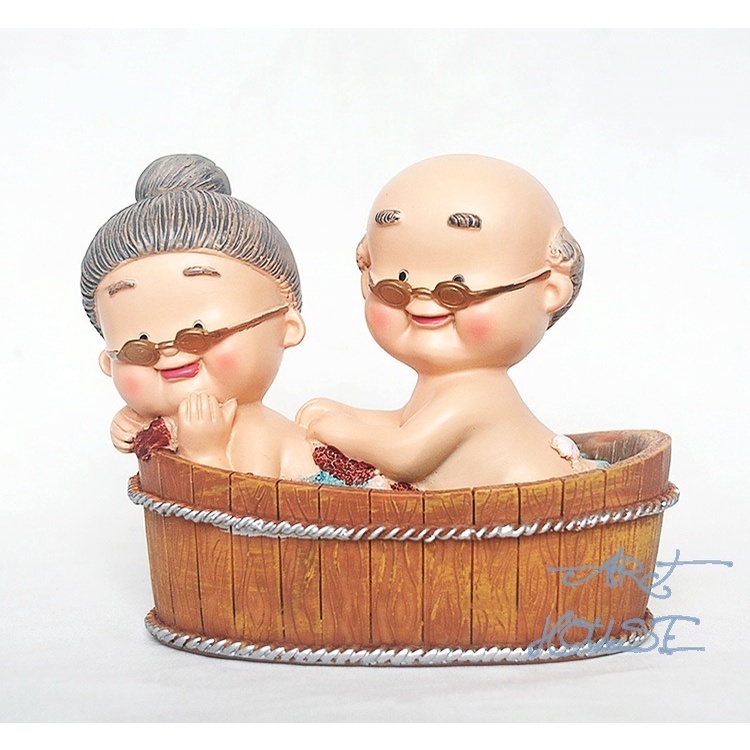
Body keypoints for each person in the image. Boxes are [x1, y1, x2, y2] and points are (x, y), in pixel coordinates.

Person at [297, 154, 597, 489]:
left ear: (550, 291)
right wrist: (348, 413)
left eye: (456, 289)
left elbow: (405, 454)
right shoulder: (447, 387)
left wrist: (335, 428)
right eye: (396, 284)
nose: (421, 302)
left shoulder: (477, 392)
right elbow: (406, 423)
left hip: (525, 503)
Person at [81, 153, 317, 478]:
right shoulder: (165, 422)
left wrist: (206, 451)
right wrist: (135, 420)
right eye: (140, 345)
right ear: (109, 362)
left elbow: (244, 505)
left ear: (286, 327)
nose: (169, 351)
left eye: (198, 332)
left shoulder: (256, 433)